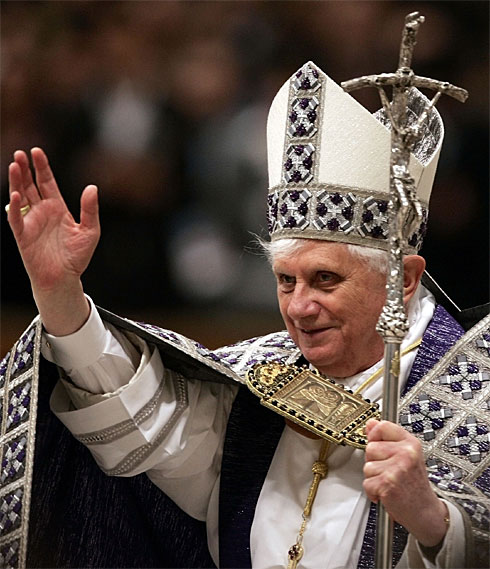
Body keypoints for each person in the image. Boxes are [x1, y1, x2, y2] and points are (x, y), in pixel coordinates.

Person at [2, 61, 489, 569]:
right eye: (285, 280)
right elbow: (142, 425)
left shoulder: (476, 395)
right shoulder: (259, 379)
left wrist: (434, 521)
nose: (299, 308)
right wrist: (60, 293)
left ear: (403, 279)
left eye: (326, 279)